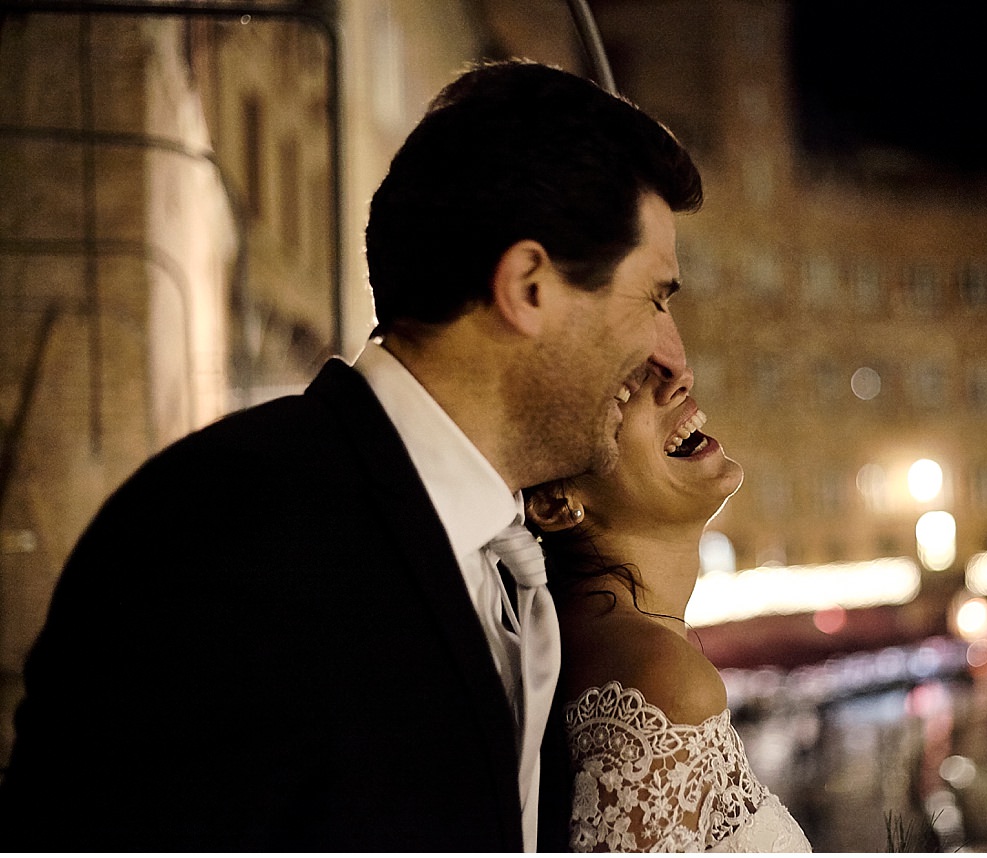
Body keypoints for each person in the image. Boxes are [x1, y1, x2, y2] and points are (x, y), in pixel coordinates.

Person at [0, 59, 702, 851]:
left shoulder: (518, 557)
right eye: (654, 297)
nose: (670, 357)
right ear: (529, 287)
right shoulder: (222, 535)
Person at [525, 368, 813, 852]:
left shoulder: (588, 639)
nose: (679, 380)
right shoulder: (660, 681)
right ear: (557, 501)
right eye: (622, 387)